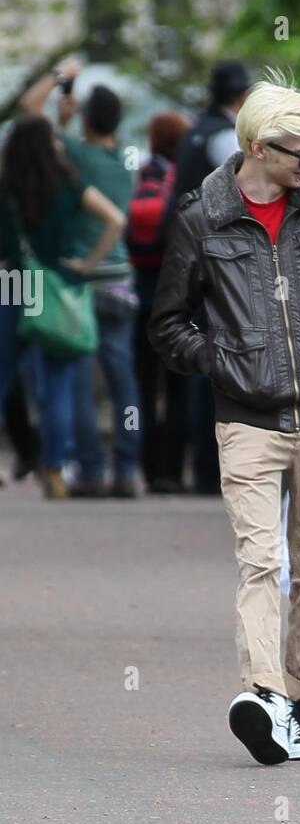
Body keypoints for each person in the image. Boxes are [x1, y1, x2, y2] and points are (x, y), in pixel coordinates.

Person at [149, 74, 300, 765]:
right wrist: (224, 362)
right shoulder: (203, 216)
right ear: (257, 146)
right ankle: (263, 698)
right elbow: (166, 324)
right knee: (259, 562)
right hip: (246, 419)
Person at [21, 59, 141, 497]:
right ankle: (127, 468)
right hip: (123, 281)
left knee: (79, 380)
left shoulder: (76, 154)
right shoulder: (124, 160)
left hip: (85, 282)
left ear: (88, 119)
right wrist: (74, 120)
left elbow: (30, 110)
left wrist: (57, 76)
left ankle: (90, 468)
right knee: (123, 378)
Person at [0, 117, 125, 499]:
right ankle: (55, 470)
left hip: (13, 283)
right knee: (57, 386)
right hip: (60, 284)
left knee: (2, 379)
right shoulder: (70, 184)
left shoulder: (5, 188)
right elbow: (116, 219)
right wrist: (88, 264)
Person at [160, 60, 252, 495]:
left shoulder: (194, 131)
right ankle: (209, 470)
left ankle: (185, 467)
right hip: (214, 260)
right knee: (215, 363)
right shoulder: (222, 137)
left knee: (190, 359)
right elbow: (244, 191)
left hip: (184, 254)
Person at [128, 110, 192, 493]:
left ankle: (149, 469)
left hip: (140, 293)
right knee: (180, 388)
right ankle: (173, 471)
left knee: (144, 388)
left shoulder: (142, 175)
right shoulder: (183, 178)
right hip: (177, 299)